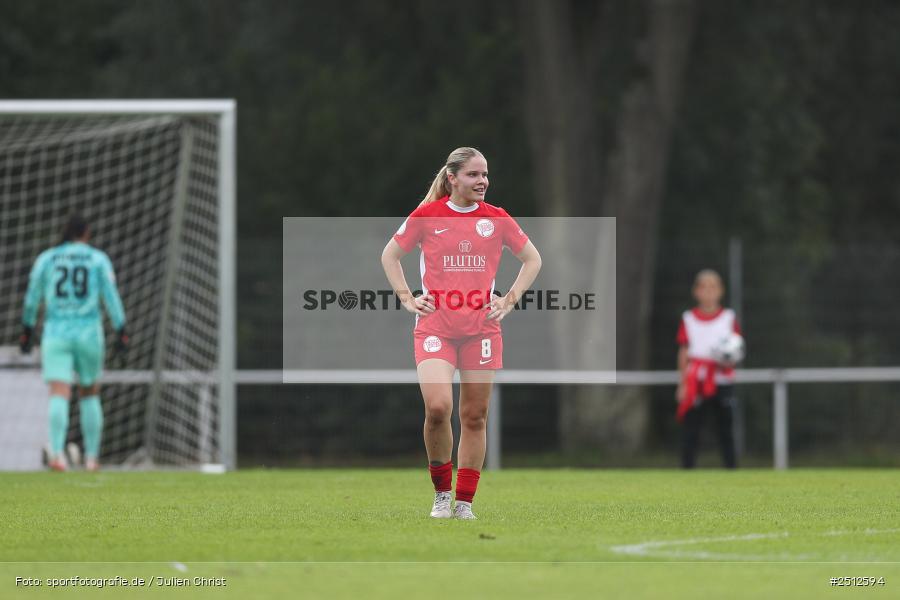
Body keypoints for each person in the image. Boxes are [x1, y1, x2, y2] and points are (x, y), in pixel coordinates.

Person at [381, 147, 541, 519]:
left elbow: (533, 259)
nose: (482, 181)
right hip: (436, 326)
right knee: (438, 408)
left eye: (485, 174)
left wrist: (510, 299)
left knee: (474, 416)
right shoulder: (427, 216)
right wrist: (407, 298)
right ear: (452, 178)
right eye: (473, 175)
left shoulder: (497, 219)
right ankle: (441, 494)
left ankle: (464, 503)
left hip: (481, 330)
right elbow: (390, 255)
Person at [19, 214, 128, 472]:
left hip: (56, 333)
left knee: (59, 392)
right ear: (86, 233)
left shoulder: (47, 258)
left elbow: (32, 296)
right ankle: (91, 458)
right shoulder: (97, 259)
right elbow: (111, 297)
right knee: (89, 392)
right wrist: (121, 328)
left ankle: (57, 454)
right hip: (89, 333)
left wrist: (27, 328)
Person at [675, 269, 740, 469]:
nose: (708, 292)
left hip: (721, 380)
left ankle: (732, 471)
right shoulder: (689, 319)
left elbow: (736, 347)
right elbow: (684, 351)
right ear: (696, 292)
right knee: (691, 430)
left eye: (713, 287)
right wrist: (682, 383)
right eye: (704, 287)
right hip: (696, 380)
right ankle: (687, 472)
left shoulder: (728, 317)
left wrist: (729, 362)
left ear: (720, 291)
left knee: (725, 429)